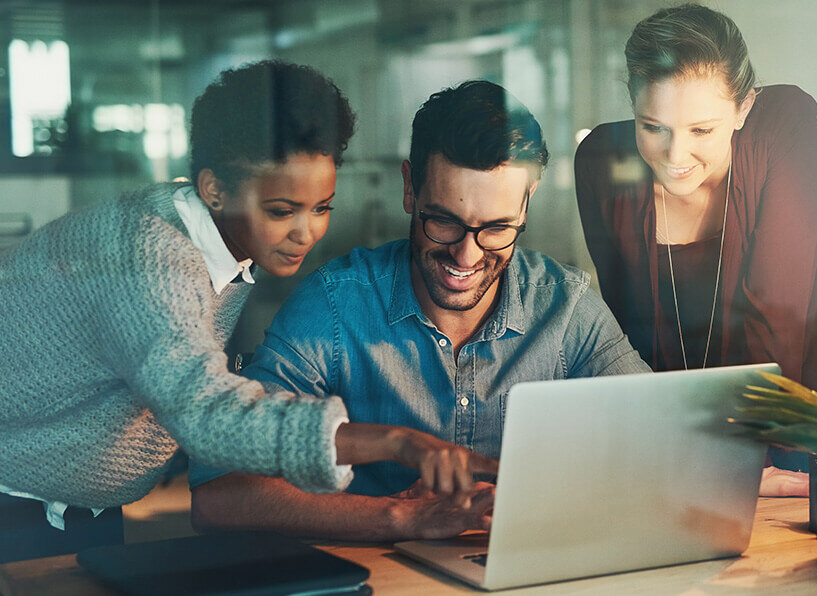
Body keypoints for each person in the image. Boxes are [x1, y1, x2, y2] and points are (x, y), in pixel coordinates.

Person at [0, 61, 489, 561]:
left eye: (322, 207)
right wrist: (397, 442)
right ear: (214, 189)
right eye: (281, 211)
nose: (307, 233)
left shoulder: (212, 240)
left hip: (76, 509)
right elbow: (208, 415)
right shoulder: (151, 260)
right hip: (13, 505)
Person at [188, 80, 650, 541]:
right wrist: (398, 517)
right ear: (410, 188)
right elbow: (220, 493)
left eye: (496, 228)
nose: (466, 257)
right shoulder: (333, 307)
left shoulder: (566, 307)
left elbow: (666, 443)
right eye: (444, 221)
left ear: (527, 201)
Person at [574, 4, 817, 497]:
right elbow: (623, 337)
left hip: (792, 433)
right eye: (652, 127)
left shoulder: (783, 125)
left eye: (702, 130)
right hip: (671, 452)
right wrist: (675, 456)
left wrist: (740, 460)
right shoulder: (600, 160)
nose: (675, 157)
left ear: (745, 107)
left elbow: (777, 322)